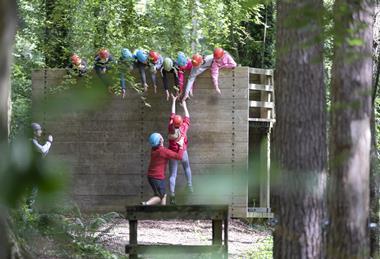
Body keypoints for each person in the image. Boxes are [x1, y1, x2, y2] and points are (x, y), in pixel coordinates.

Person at [142, 132, 184, 205]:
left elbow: (163, 150)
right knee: (160, 196)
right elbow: (179, 157)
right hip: (157, 177)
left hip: (153, 176)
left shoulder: (154, 149)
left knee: (164, 194)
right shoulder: (164, 151)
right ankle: (146, 204)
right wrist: (180, 146)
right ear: (161, 140)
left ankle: (162, 211)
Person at [168, 95, 192, 205]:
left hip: (172, 153)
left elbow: (172, 114)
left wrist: (173, 100)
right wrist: (184, 105)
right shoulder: (184, 127)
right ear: (181, 123)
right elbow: (187, 116)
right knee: (187, 167)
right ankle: (190, 185)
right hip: (183, 152)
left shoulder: (170, 127)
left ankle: (172, 195)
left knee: (173, 174)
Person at [27, 123, 53, 209]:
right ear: (34, 132)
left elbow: (41, 154)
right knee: (32, 191)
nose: (41, 131)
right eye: (39, 130)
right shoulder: (31, 141)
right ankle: (27, 211)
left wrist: (46, 149)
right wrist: (49, 142)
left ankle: (28, 211)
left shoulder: (33, 141)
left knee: (34, 190)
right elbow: (42, 150)